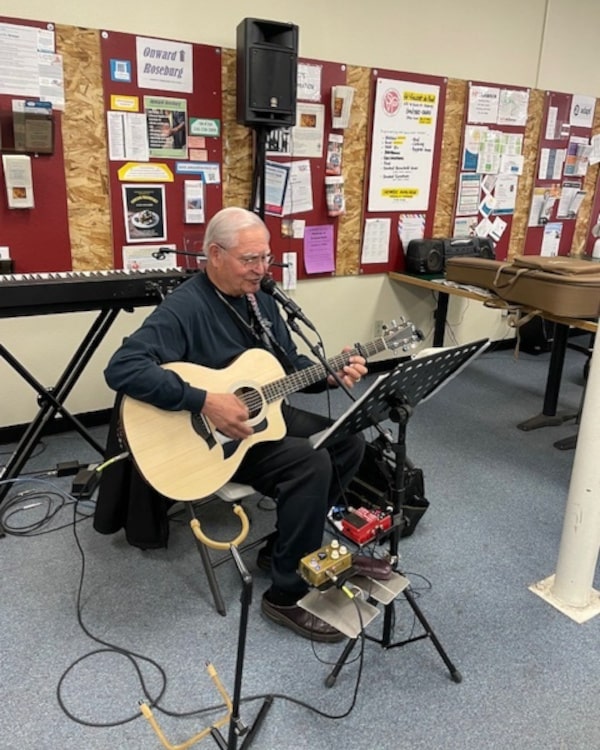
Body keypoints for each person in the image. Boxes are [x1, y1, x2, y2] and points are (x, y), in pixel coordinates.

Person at [104, 206, 368, 642]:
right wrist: (205, 400)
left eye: (266, 258)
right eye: (250, 260)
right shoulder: (186, 307)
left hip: (264, 420)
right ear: (214, 254)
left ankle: (285, 549)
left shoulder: (261, 298)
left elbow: (288, 366)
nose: (262, 269)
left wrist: (328, 371)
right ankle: (286, 596)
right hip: (215, 443)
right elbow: (122, 368)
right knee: (309, 463)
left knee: (346, 440)